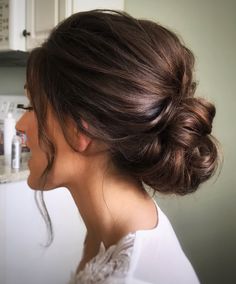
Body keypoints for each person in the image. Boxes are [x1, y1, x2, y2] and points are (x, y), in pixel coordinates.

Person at [16, 9, 218, 284]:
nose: (20, 125)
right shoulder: (125, 223)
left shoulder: (126, 278)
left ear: (81, 128)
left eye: (33, 106)